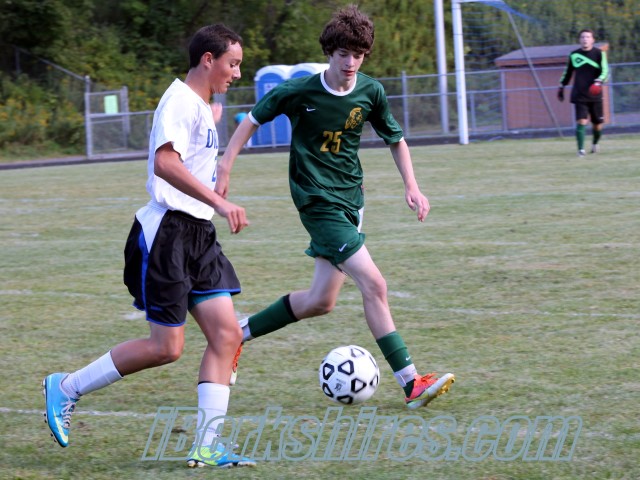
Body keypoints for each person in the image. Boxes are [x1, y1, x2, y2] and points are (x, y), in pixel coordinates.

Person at [217, 4, 454, 410]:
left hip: (351, 203)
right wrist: (225, 165)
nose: (350, 63)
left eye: (358, 55)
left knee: (320, 301)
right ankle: (411, 382)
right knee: (374, 285)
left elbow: (395, 139)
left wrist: (412, 186)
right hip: (317, 202)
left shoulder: (370, 92)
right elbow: (252, 119)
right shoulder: (300, 91)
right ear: (329, 52)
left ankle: (236, 334)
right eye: (343, 54)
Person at [42, 24, 256, 469]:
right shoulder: (179, 100)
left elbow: (191, 152)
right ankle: (66, 386)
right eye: (233, 64)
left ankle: (208, 445)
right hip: (168, 235)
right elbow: (164, 162)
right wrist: (219, 200)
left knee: (227, 334)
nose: (237, 73)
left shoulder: (200, 104)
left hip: (199, 235)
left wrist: (215, 170)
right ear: (208, 59)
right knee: (166, 348)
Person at [557, 28, 609, 157]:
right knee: (581, 121)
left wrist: (598, 81)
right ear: (579, 40)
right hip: (579, 93)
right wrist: (561, 86)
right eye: (583, 37)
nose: (585, 39)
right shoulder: (574, 55)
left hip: (595, 94)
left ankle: (595, 143)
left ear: (593, 40)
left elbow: (605, 71)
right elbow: (568, 72)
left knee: (597, 125)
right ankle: (581, 150)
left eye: (588, 37)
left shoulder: (599, 53)